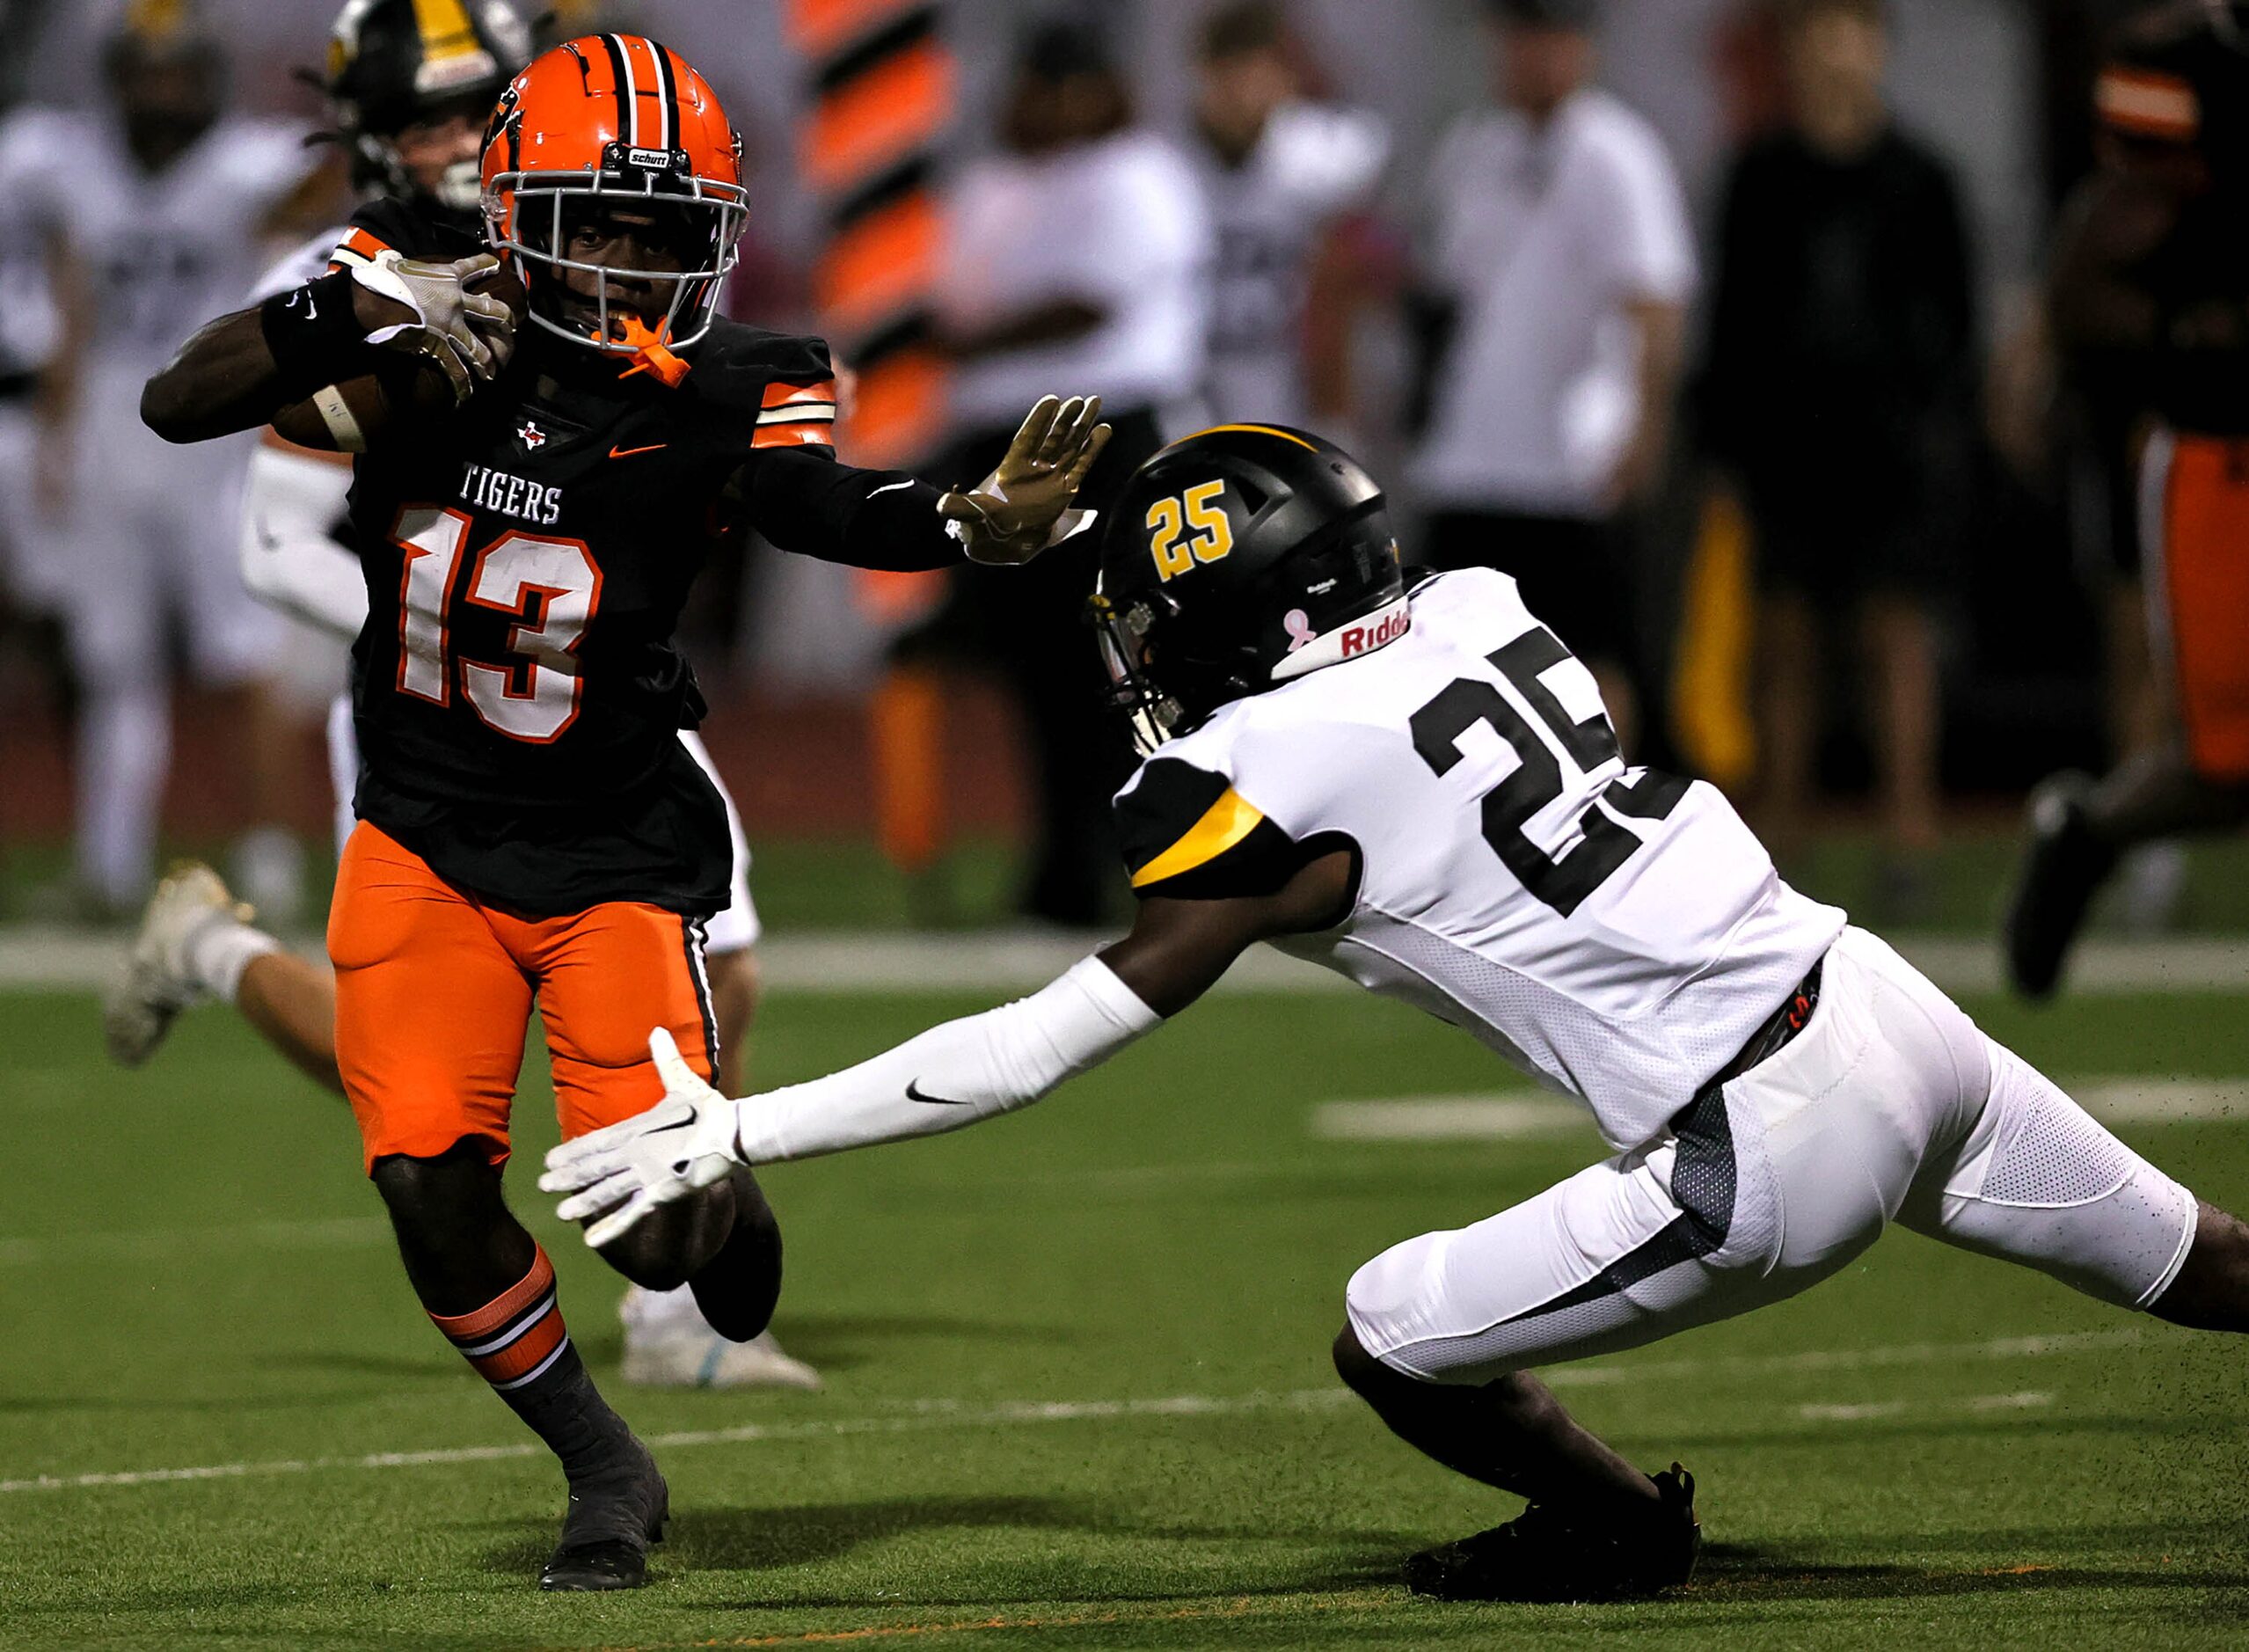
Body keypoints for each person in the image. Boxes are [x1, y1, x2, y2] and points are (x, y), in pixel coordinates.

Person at [544, 422, 2249, 1604]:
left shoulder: (1268, 776)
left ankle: (1616, 1536)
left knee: (1391, 1333)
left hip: (1767, 1129)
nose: (1140, 658)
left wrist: (747, 1124)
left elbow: (1043, 1045)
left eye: (1154, 624)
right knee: (2208, 1269)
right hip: (1879, 998)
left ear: (1224, 622)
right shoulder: (1480, 608)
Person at [141, 32, 1107, 1589]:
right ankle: (602, 1463)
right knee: (429, 1191)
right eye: (601, 220)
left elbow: (817, 504)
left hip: (613, 852)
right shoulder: (434, 336)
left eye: (667, 230)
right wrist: (353, 302)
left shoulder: (744, 379)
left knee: (655, 1232)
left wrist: (960, 518)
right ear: (518, 207)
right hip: (424, 836)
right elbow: (176, 400)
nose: (634, 259)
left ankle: (724, 1219)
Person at [101, 0, 814, 1393]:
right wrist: (487, 633)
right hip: (438, 701)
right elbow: (269, 539)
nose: (445, 140)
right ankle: (219, 952)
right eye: (418, 120)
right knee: (417, 1079)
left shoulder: (585, 232)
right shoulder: (362, 268)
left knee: (715, 953)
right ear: (368, 136)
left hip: (590, 706)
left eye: (468, 105)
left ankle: (668, 1286)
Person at [0, 0, 325, 918]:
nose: (161, 94)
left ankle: (269, 870)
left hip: (213, 439)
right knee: (114, 666)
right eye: (146, 76)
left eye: (177, 75)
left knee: (245, 656)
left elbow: (310, 215)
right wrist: (59, 438)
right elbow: (73, 306)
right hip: (109, 435)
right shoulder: (74, 166)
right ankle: (108, 867)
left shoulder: (245, 167)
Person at [924, 18, 1211, 927]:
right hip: (1008, 438)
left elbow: (1093, 300)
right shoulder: (1005, 180)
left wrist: (964, 337)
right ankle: (1062, 866)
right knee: (1035, 668)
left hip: (1098, 431)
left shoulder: (1138, 174)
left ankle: (1131, 855)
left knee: (1110, 662)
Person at [1700, 0, 1975, 899]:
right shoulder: (1759, 176)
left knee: (1895, 637)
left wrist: (1942, 432)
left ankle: (1910, 834)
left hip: (1891, 444)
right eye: (1818, 36)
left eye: (1852, 35)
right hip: (1786, 445)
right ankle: (1784, 834)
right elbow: (1731, 324)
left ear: (1879, 49)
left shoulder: (1921, 179)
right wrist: (1725, 448)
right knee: (1784, 643)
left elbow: (1957, 321)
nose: (1835, 56)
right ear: (1793, 52)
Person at [2007, 0, 2249, 997]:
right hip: (2222, 457)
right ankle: (2086, 836)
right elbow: (2084, 272)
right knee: (2224, 766)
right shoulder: (2186, 65)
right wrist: (2184, 334)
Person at [1409, 0, 1692, 756]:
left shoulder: (1615, 149)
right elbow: (1446, 285)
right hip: (1473, 450)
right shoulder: (1473, 145)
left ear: (1580, 48)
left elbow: (1656, 301)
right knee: (1451, 654)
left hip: (1572, 455)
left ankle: (1606, 820)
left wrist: (1644, 427)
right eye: (1516, 36)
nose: (1529, 55)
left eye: (1547, 38)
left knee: (1592, 653)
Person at [1187, 1, 1388, 432]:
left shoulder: (1318, 152)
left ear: (1286, 77)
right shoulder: (1174, 164)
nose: (1242, 91)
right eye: (1229, 74)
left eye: (1255, 72)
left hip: (1295, 385)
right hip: (1200, 390)